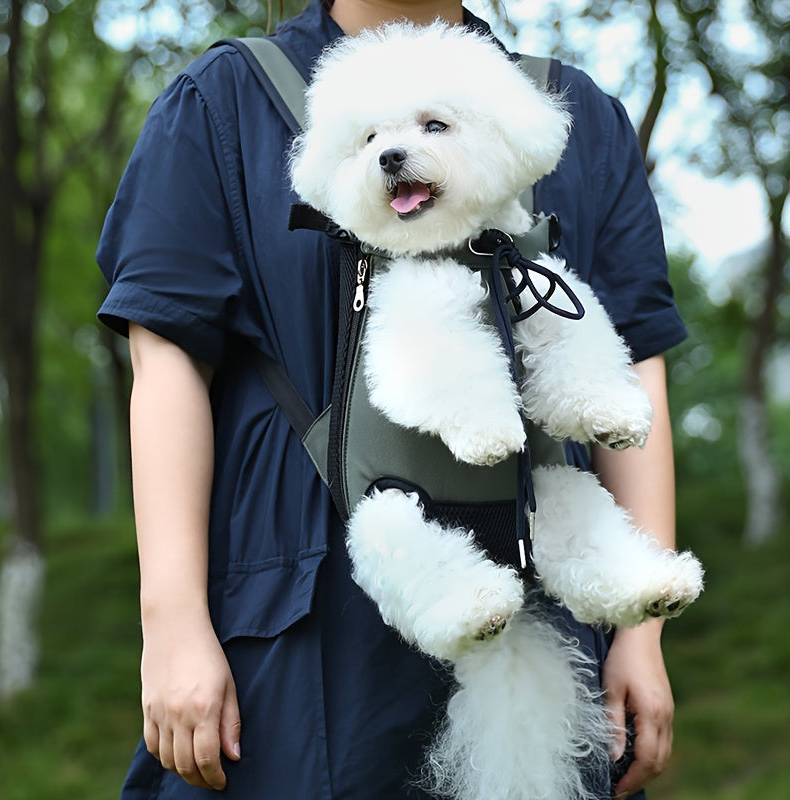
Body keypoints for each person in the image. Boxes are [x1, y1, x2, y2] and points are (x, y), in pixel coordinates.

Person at [96, 1, 687, 798]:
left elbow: (632, 358)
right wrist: (170, 626)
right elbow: (166, 355)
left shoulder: (574, 113)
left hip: (546, 628)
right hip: (296, 647)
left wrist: (640, 636)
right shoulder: (225, 100)